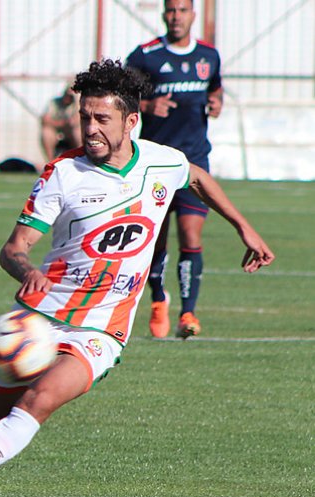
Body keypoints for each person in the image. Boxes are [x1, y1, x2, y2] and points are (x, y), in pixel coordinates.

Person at [0, 59, 272, 497]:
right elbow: (13, 247)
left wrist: (243, 227)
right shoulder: (62, 173)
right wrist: (27, 271)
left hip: (102, 327)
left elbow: (195, 176)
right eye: (84, 117)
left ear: (131, 122)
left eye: (102, 119)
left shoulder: (161, 162)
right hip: (41, 315)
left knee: (40, 399)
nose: (90, 128)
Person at [125, 0, 223, 339]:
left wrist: (217, 101)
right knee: (156, 239)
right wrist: (148, 105)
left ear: (193, 15)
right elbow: (121, 95)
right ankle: (157, 300)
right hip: (157, 163)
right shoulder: (145, 55)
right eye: (171, 10)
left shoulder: (208, 56)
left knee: (191, 235)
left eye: (182, 10)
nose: (176, 16)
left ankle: (189, 313)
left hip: (196, 161)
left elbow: (215, 87)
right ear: (163, 14)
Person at [39, 86, 81, 162]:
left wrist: (76, 102)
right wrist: (62, 123)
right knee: (46, 132)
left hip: (70, 132)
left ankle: (80, 159)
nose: (68, 97)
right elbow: (45, 119)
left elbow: (76, 122)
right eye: (67, 94)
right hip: (56, 131)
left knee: (77, 132)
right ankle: (51, 162)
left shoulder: (78, 105)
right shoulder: (54, 102)